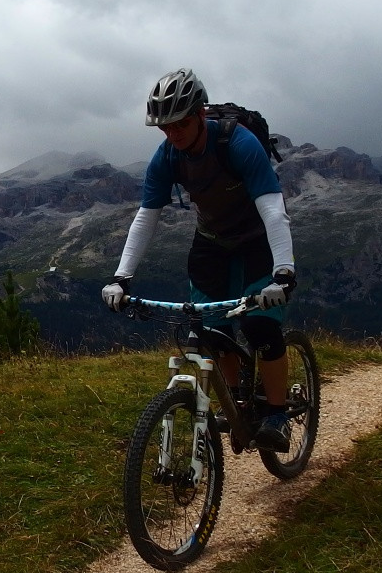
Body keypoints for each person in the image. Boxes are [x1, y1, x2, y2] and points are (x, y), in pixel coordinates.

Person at [102, 68, 297, 451]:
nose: (173, 134)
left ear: (199, 114)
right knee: (213, 330)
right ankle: (236, 401)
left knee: (260, 327)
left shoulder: (238, 143)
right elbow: (146, 217)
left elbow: (274, 210)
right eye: (165, 127)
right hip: (211, 242)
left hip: (257, 240)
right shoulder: (167, 156)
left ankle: (277, 414)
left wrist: (283, 273)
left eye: (180, 124)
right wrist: (121, 277)